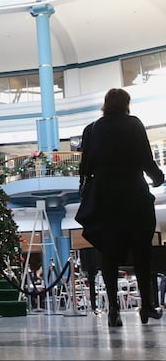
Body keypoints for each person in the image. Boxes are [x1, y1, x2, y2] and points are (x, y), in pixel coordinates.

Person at [77, 88, 164, 327]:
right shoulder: (134, 124)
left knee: (109, 253)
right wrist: (157, 178)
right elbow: (146, 159)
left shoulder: (91, 129)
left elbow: (85, 167)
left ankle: (113, 309)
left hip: (104, 198)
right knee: (142, 252)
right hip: (133, 196)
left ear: (105, 105)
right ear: (126, 104)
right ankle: (146, 305)